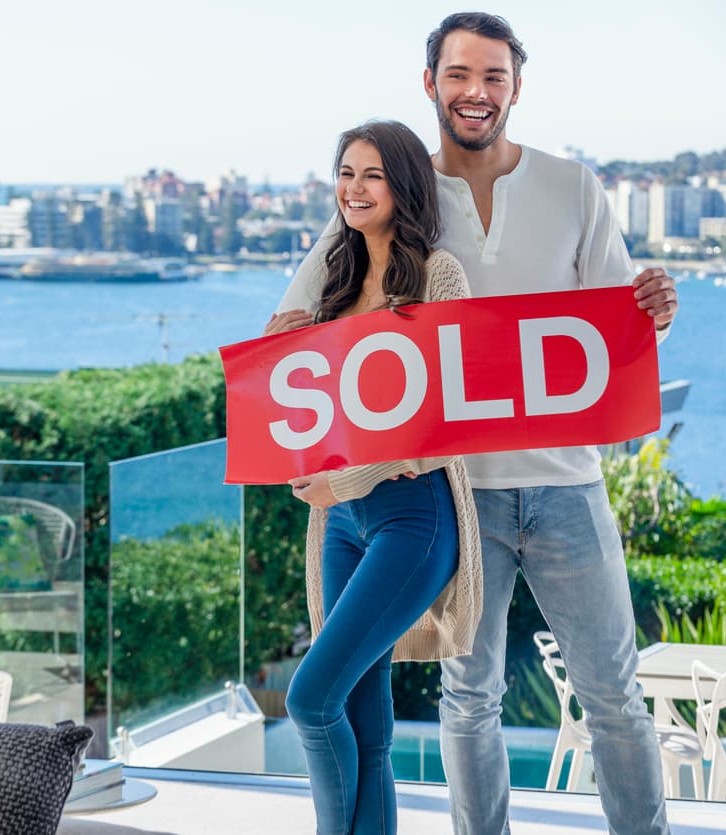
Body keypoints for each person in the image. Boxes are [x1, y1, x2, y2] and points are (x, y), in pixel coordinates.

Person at [275, 13, 679, 835]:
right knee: (469, 698)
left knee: (614, 695)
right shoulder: (393, 183)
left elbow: (616, 321)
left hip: (568, 483)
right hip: (459, 495)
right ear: (430, 83)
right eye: (459, 74)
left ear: (514, 88)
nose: (475, 92)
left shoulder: (573, 187)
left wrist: (656, 312)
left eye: (493, 77)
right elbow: (301, 315)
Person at [272, 119, 483, 835]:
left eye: (372, 176)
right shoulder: (333, 279)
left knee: (309, 699)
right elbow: (310, 403)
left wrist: (349, 482)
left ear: (403, 187)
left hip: (411, 518)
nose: (353, 189)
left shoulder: (438, 274)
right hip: (339, 522)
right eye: (345, 173)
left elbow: (439, 421)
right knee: (364, 717)